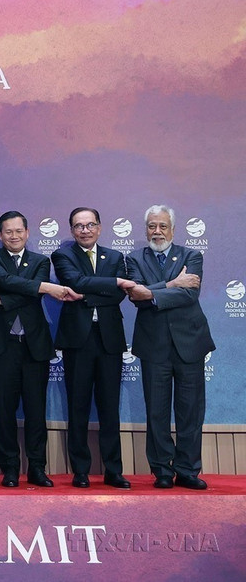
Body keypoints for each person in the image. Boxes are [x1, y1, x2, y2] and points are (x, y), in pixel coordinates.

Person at [0, 210, 81, 488]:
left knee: (36, 410)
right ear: (0, 235)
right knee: (4, 409)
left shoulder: (40, 261)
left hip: (34, 345)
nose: (14, 236)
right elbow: (6, 282)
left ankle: (36, 467)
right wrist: (41, 287)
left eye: (18, 231)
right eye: (8, 232)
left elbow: (23, 294)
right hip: (2, 345)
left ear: (27, 233)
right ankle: (9, 468)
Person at [123, 204, 214, 490]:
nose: (157, 231)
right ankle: (162, 470)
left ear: (173, 229)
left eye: (163, 226)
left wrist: (153, 291)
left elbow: (189, 294)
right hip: (154, 346)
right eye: (152, 226)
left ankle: (187, 470)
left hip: (190, 344)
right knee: (157, 411)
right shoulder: (134, 258)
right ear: (146, 228)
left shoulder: (192, 255)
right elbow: (136, 297)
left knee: (190, 411)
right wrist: (173, 282)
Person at [51, 207, 131, 489]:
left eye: (90, 225)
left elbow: (118, 295)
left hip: (109, 338)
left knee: (110, 408)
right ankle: (81, 471)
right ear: (72, 230)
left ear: (99, 227)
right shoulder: (63, 255)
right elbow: (73, 281)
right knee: (78, 406)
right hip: (78, 340)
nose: (85, 230)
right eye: (78, 226)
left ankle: (113, 470)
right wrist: (111, 284)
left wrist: (86, 294)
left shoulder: (115, 256)